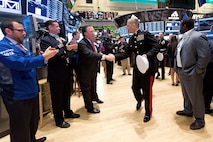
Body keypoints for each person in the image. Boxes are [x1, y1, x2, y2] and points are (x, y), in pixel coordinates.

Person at [0, 19, 58, 142]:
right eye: (20, 30)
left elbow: (30, 59)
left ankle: (32, 139)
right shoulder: (3, 47)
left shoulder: (20, 46)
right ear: (8, 31)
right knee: (20, 128)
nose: (24, 33)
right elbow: (20, 63)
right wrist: (43, 58)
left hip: (30, 91)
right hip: (17, 94)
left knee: (32, 122)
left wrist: (41, 57)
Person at [114, 15, 159, 122]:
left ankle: (148, 113)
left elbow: (156, 45)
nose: (126, 27)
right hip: (137, 68)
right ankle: (139, 99)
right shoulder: (132, 39)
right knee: (134, 88)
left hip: (148, 68)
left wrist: (147, 55)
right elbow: (127, 53)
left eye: (128, 25)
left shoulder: (145, 34)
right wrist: (114, 57)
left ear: (134, 25)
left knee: (147, 92)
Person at [40, 20, 80, 128]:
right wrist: (64, 50)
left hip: (67, 69)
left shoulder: (62, 39)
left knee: (67, 93)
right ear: (50, 27)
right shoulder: (45, 40)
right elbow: (51, 56)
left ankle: (67, 111)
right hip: (56, 72)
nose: (59, 28)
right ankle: (59, 119)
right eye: (57, 26)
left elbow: (65, 52)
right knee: (57, 96)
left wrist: (70, 50)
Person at [175, 18, 210, 130]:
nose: (179, 28)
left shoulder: (197, 37)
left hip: (193, 73)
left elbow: (204, 56)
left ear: (185, 26)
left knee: (196, 97)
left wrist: (197, 70)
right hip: (182, 72)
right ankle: (188, 110)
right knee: (186, 95)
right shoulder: (183, 38)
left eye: (180, 25)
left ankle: (200, 119)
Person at [77, 25, 114, 113]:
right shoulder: (82, 43)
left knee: (93, 85)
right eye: (91, 31)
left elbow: (95, 52)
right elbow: (89, 54)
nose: (94, 33)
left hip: (92, 68)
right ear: (85, 33)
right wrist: (104, 56)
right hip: (85, 70)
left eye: (93, 31)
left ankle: (94, 98)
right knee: (86, 89)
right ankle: (89, 107)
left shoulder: (91, 42)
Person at [203, 24, 213, 114]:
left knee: (206, 87)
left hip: (204, 66)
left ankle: (205, 106)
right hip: (211, 65)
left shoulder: (205, 37)